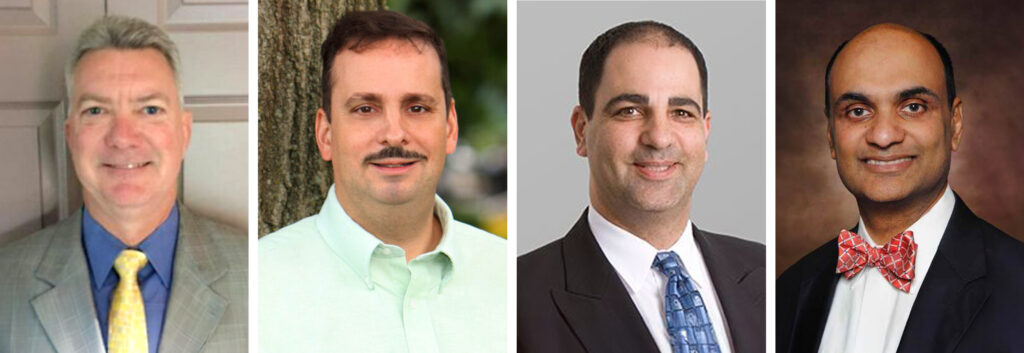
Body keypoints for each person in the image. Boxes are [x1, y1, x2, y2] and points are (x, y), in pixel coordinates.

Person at [258, 10, 506, 352]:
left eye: (416, 108)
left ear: (449, 127)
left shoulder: (514, 279)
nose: (394, 134)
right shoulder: (260, 288)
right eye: (365, 109)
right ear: (326, 134)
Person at [0, 16, 247, 353]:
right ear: (70, 136)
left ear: (184, 132)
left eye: (149, 109)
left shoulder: (259, 273)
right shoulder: (5, 281)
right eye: (97, 111)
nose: (123, 138)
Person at [518, 20, 765, 353]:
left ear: (705, 132)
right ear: (581, 131)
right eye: (630, 110)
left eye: (681, 112)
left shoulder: (768, 276)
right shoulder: (519, 301)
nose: (659, 137)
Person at [776, 23, 1024, 353]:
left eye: (913, 106)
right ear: (831, 136)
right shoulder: (787, 293)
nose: (883, 136)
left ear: (956, 125)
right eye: (858, 111)